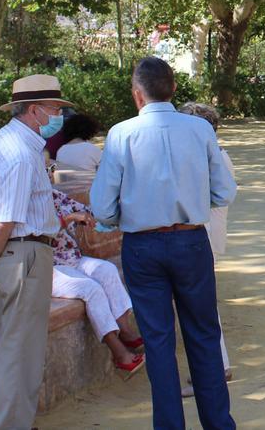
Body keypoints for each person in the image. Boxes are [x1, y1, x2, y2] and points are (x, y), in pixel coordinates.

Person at [91, 57, 237, 430]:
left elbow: (103, 205)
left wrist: (120, 217)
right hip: (190, 241)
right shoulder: (200, 130)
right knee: (203, 334)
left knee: (158, 341)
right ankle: (219, 424)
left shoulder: (121, 134)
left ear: (137, 95)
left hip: (143, 246)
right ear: (173, 89)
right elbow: (224, 191)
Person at [0, 74, 69, 430]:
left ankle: (9, 419)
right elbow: (5, 220)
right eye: (55, 108)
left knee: (8, 346)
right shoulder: (21, 154)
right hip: (24, 255)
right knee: (20, 350)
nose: (58, 115)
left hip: (12, 256)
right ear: (36, 111)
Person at [49, 189, 144, 377]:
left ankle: (125, 330)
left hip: (72, 258)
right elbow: (40, 230)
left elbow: (85, 210)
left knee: (107, 270)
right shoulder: (26, 197)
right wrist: (70, 218)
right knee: (91, 289)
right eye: (44, 170)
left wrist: (108, 211)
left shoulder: (54, 195)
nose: (49, 174)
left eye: (51, 169)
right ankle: (119, 353)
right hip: (47, 266)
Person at [178, 102, 235, 389]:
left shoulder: (207, 157)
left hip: (200, 236)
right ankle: (216, 365)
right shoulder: (215, 155)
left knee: (199, 308)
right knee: (201, 306)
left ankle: (214, 367)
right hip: (205, 236)